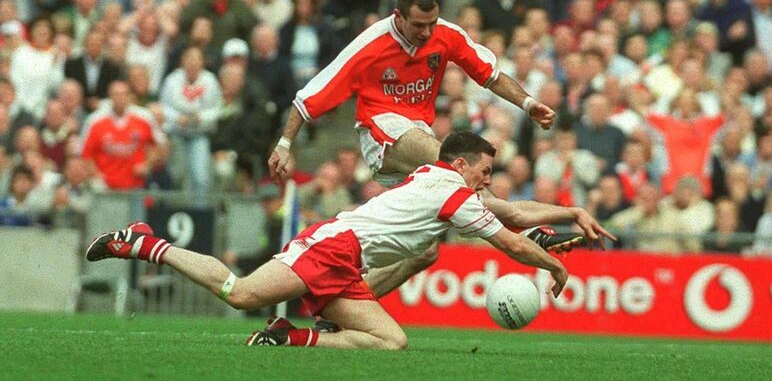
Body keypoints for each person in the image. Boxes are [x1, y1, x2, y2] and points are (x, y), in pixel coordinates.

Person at [87, 131, 615, 350]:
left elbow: (514, 212)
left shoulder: (447, 186)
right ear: (461, 164)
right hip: (330, 248)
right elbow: (514, 241)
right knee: (241, 292)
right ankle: (142, 243)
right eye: (485, 169)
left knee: (395, 342)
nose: (488, 179)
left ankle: (289, 338)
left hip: (349, 265)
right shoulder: (452, 191)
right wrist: (554, 267)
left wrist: (570, 210)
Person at [268, 0, 582, 297]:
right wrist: (284, 143)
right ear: (398, 17)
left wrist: (527, 104)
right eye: (419, 25)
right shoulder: (371, 44)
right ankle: (525, 229)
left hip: (419, 136)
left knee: (425, 251)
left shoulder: (445, 34)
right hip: (383, 135)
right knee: (452, 163)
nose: (427, 32)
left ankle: (345, 305)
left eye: (432, 23)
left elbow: (492, 75)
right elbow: (310, 96)